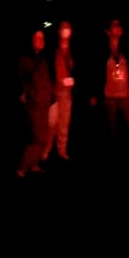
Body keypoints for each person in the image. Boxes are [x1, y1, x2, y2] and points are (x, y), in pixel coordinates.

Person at [90, 17, 129, 147]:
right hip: (110, 96)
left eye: (119, 24)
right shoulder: (102, 50)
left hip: (126, 95)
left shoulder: (128, 48)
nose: (118, 27)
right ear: (108, 31)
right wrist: (95, 94)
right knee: (111, 131)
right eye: (114, 25)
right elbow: (96, 71)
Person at [17, 28, 55, 177]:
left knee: (43, 135)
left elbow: (47, 79)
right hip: (34, 104)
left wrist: (51, 95)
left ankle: (34, 164)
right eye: (37, 38)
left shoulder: (44, 59)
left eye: (42, 38)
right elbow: (20, 79)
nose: (40, 41)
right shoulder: (25, 59)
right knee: (35, 136)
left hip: (44, 102)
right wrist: (26, 94)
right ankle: (22, 166)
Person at [44, 20, 76, 163]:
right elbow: (48, 70)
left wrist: (74, 80)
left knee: (64, 123)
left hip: (67, 93)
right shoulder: (53, 50)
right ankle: (45, 151)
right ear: (58, 31)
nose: (65, 30)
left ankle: (62, 151)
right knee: (51, 124)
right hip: (54, 92)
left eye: (68, 28)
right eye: (63, 27)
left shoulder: (73, 50)